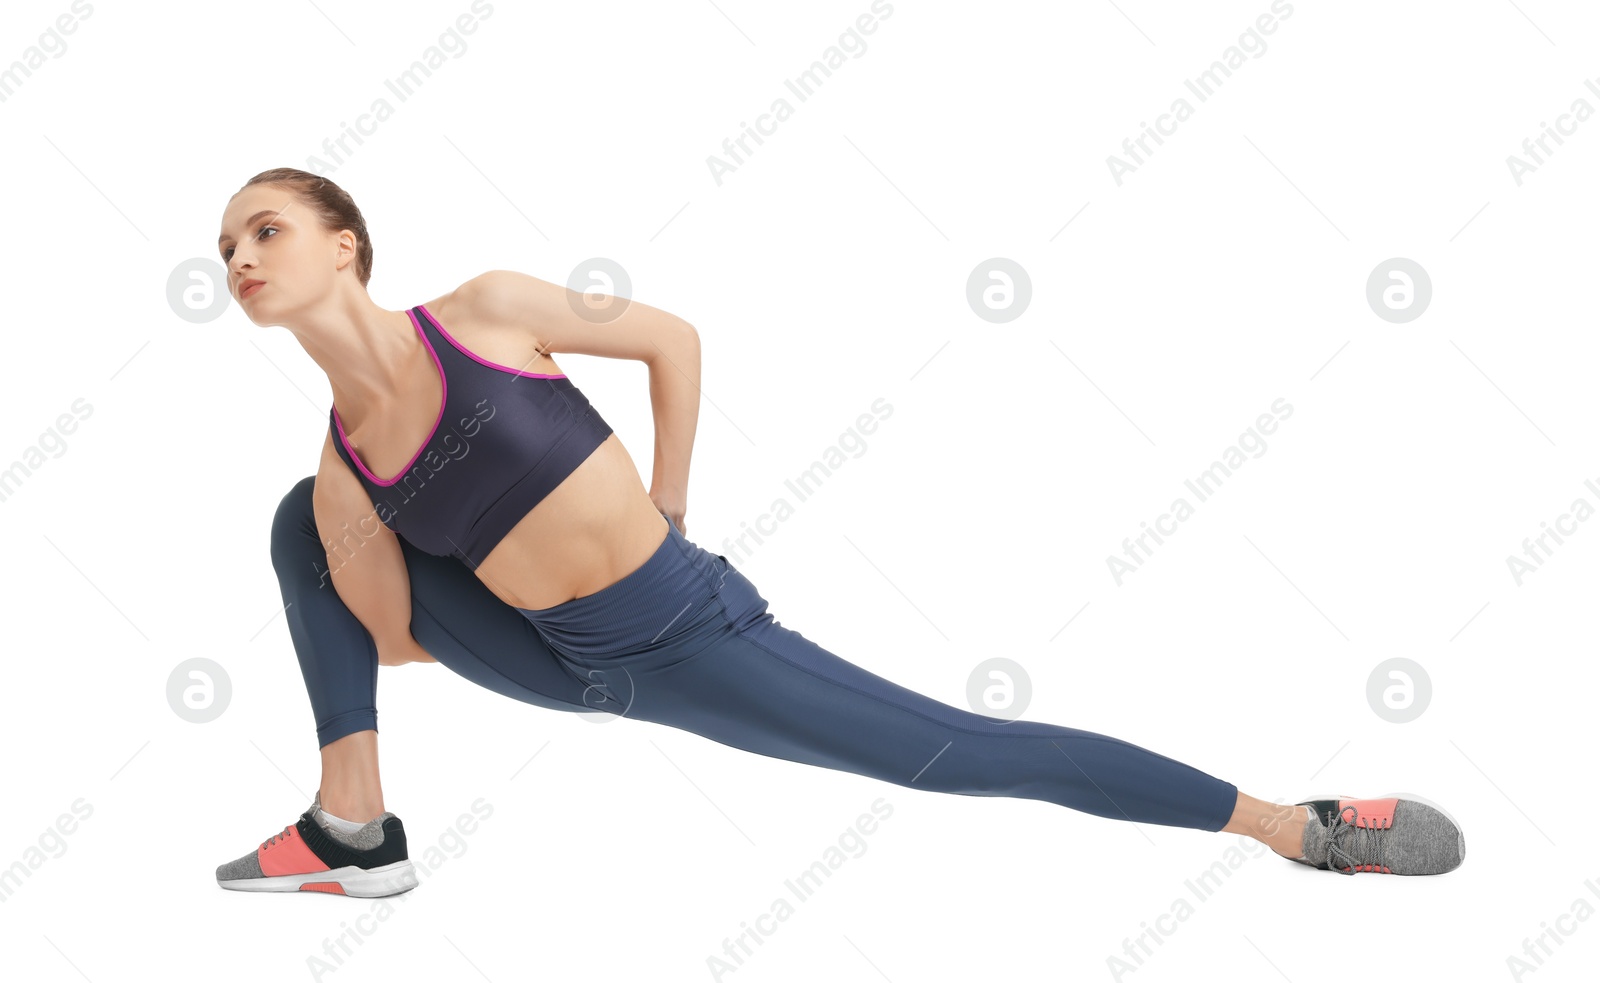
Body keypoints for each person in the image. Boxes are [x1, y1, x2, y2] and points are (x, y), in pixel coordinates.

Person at [213, 168, 1464, 897]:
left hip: (686, 631)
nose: (241, 256)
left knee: (964, 751)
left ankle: (1292, 825)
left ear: (345, 243)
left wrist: (671, 508)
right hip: (551, 660)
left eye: (265, 228)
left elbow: (670, 339)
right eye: (226, 249)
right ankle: (355, 827)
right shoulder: (342, 470)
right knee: (292, 521)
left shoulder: (483, 310)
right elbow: (395, 645)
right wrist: (403, 544)